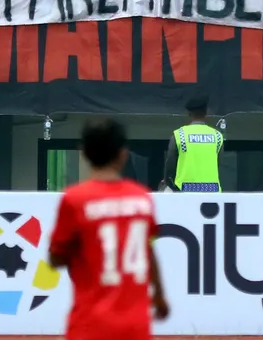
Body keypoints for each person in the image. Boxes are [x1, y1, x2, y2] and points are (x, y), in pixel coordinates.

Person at [48, 117, 169, 340]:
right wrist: (160, 296)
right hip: (136, 327)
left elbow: (55, 258)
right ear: (123, 155)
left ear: (83, 153)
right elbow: (149, 250)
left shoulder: (75, 200)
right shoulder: (142, 199)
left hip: (89, 325)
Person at [162, 93, 225, 192]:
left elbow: (170, 165)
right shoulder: (217, 136)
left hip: (185, 190)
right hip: (212, 191)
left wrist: (169, 182)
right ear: (206, 113)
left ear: (189, 114)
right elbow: (218, 164)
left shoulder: (180, 135)